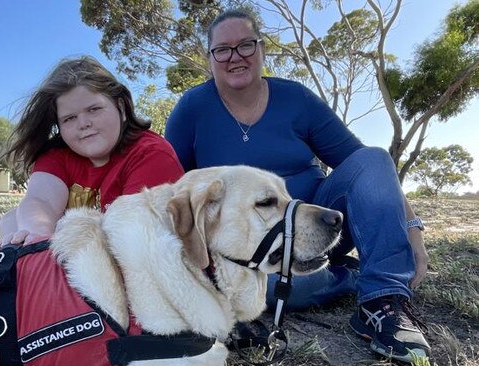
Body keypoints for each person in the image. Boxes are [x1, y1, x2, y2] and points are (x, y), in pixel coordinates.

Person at [164, 9, 430, 363]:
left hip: (322, 223)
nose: (235, 57)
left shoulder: (297, 99)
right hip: (253, 248)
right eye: (222, 50)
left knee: (376, 155)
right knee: (270, 288)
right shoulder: (192, 109)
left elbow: (370, 168)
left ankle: (383, 299)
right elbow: (171, 185)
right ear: (210, 58)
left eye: (245, 45)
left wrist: (412, 230)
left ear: (261, 49)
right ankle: (345, 278)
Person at [0, 56, 184, 245]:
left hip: (139, 257)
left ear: (120, 107)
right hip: (80, 254)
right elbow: (40, 201)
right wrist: (38, 239)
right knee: (12, 221)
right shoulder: (57, 156)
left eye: (94, 109)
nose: (84, 123)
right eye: (69, 118)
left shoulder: (151, 154)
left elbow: (136, 237)